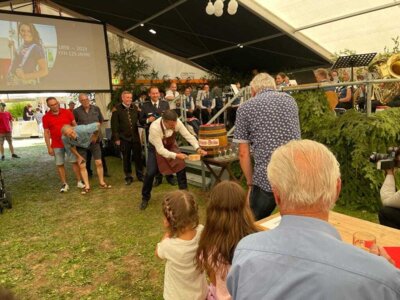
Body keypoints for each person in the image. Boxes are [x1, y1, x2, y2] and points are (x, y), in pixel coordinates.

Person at [227, 139, 400, 299]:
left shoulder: (245, 252)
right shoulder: (383, 279)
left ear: (277, 196)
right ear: (337, 190)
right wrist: (384, 272)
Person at [233, 73, 301, 220]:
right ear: (274, 86)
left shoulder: (245, 107)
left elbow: (243, 153)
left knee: (251, 222)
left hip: (267, 176)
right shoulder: (291, 101)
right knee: (293, 221)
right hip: (294, 173)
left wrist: (251, 183)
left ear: (253, 90)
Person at [196, 181, 260, 300]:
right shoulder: (256, 240)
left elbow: (214, 281)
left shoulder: (208, 246)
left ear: (212, 211)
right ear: (244, 208)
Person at [140, 110, 206, 210]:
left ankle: (185, 197)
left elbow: (188, 135)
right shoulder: (154, 127)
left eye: (175, 124)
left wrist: (197, 148)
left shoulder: (177, 122)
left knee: (181, 167)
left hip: (170, 145)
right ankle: (145, 197)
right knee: (150, 172)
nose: (174, 126)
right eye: (171, 125)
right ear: (164, 121)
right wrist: (176, 155)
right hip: (155, 148)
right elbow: (161, 150)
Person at [155, 190, 208, 300]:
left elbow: (158, 254)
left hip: (176, 296)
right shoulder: (202, 231)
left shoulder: (167, 245)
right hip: (200, 293)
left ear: (168, 221)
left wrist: (168, 233)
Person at [42, 97, 84, 193]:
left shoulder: (67, 112)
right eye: (52, 105)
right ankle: (64, 184)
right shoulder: (46, 117)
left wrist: (77, 137)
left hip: (70, 143)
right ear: (48, 106)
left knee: (74, 161)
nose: (55, 106)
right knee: (60, 164)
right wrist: (49, 147)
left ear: (58, 103)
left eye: (56, 103)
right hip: (57, 144)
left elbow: (75, 125)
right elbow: (46, 133)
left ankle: (79, 181)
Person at [61, 123, 111, 194]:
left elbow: (97, 125)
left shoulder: (83, 129)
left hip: (92, 142)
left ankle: (102, 183)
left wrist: (95, 135)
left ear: (73, 128)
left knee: (99, 162)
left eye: (72, 132)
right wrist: (79, 156)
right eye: (69, 135)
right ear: (65, 135)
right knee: (82, 165)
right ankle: (87, 186)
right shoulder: (64, 138)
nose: (72, 135)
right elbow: (71, 148)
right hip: (81, 147)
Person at [140, 86, 175, 187]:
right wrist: (147, 120)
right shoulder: (145, 106)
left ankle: (170, 177)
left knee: (168, 155)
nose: (155, 95)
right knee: (156, 157)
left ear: (159, 94)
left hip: (165, 136)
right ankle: (158, 178)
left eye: (157, 93)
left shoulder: (165, 104)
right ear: (149, 94)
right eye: (153, 93)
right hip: (153, 136)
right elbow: (140, 120)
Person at [111, 91, 143, 185]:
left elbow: (140, 119)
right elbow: (114, 125)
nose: (129, 99)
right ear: (122, 98)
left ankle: (140, 175)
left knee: (138, 157)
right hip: (124, 138)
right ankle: (128, 176)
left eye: (130, 97)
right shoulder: (116, 109)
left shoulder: (135, 107)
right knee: (126, 158)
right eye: (127, 97)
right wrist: (116, 138)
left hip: (135, 137)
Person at [74, 93, 109, 178]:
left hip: (96, 138)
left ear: (88, 99)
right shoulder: (76, 111)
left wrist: (96, 132)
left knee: (100, 157)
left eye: (86, 99)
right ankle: (88, 173)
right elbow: (75, 125)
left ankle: (104, 172)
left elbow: (100, 120)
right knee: (86, 158)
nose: (85, 101)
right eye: (82, 100)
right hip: (84, 139)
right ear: (79, 101)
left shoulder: (96, 108)